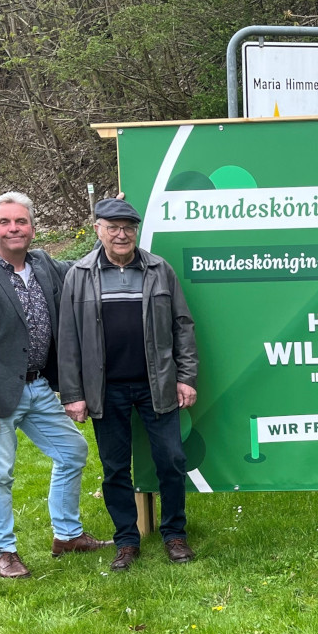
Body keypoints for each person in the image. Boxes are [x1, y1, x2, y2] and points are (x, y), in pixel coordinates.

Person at [0, 192, 112, 578]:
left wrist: (106, 227)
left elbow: (83, 267)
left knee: (72, 451)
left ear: (32, 228)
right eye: (5, 222)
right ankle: (3, 551)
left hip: (38, 386)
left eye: (20, 222)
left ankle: (67, 535)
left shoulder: (43, 264)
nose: (13, 228)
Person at [59, 197, 199, 570]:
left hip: (158, 385)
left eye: (128, 228)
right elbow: (68, 337)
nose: (122, 235)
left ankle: (175, 534)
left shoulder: (159, 269)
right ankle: (126, 540)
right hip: (105, 390)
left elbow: (182, 325)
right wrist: (73, 394)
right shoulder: (80, 274)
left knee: (171, 460)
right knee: (115, 467)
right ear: (98, 230)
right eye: (113, 227)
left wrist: (185, 377)